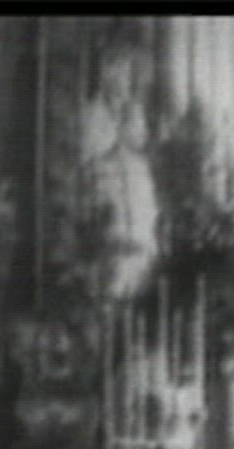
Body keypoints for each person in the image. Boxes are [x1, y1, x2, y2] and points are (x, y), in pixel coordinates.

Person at [81, 41, 158, 297]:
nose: (125, 80)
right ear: (107, 75)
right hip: (108, 184)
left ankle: (138, 288)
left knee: (140, 249)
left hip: (134, 185)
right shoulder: (93, 110)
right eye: (119, 72)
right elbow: (93, 147)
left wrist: (129, 119)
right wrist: (117, 135)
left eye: (127, 73)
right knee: (113, 247)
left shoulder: (134, 108)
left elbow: (139, 141)